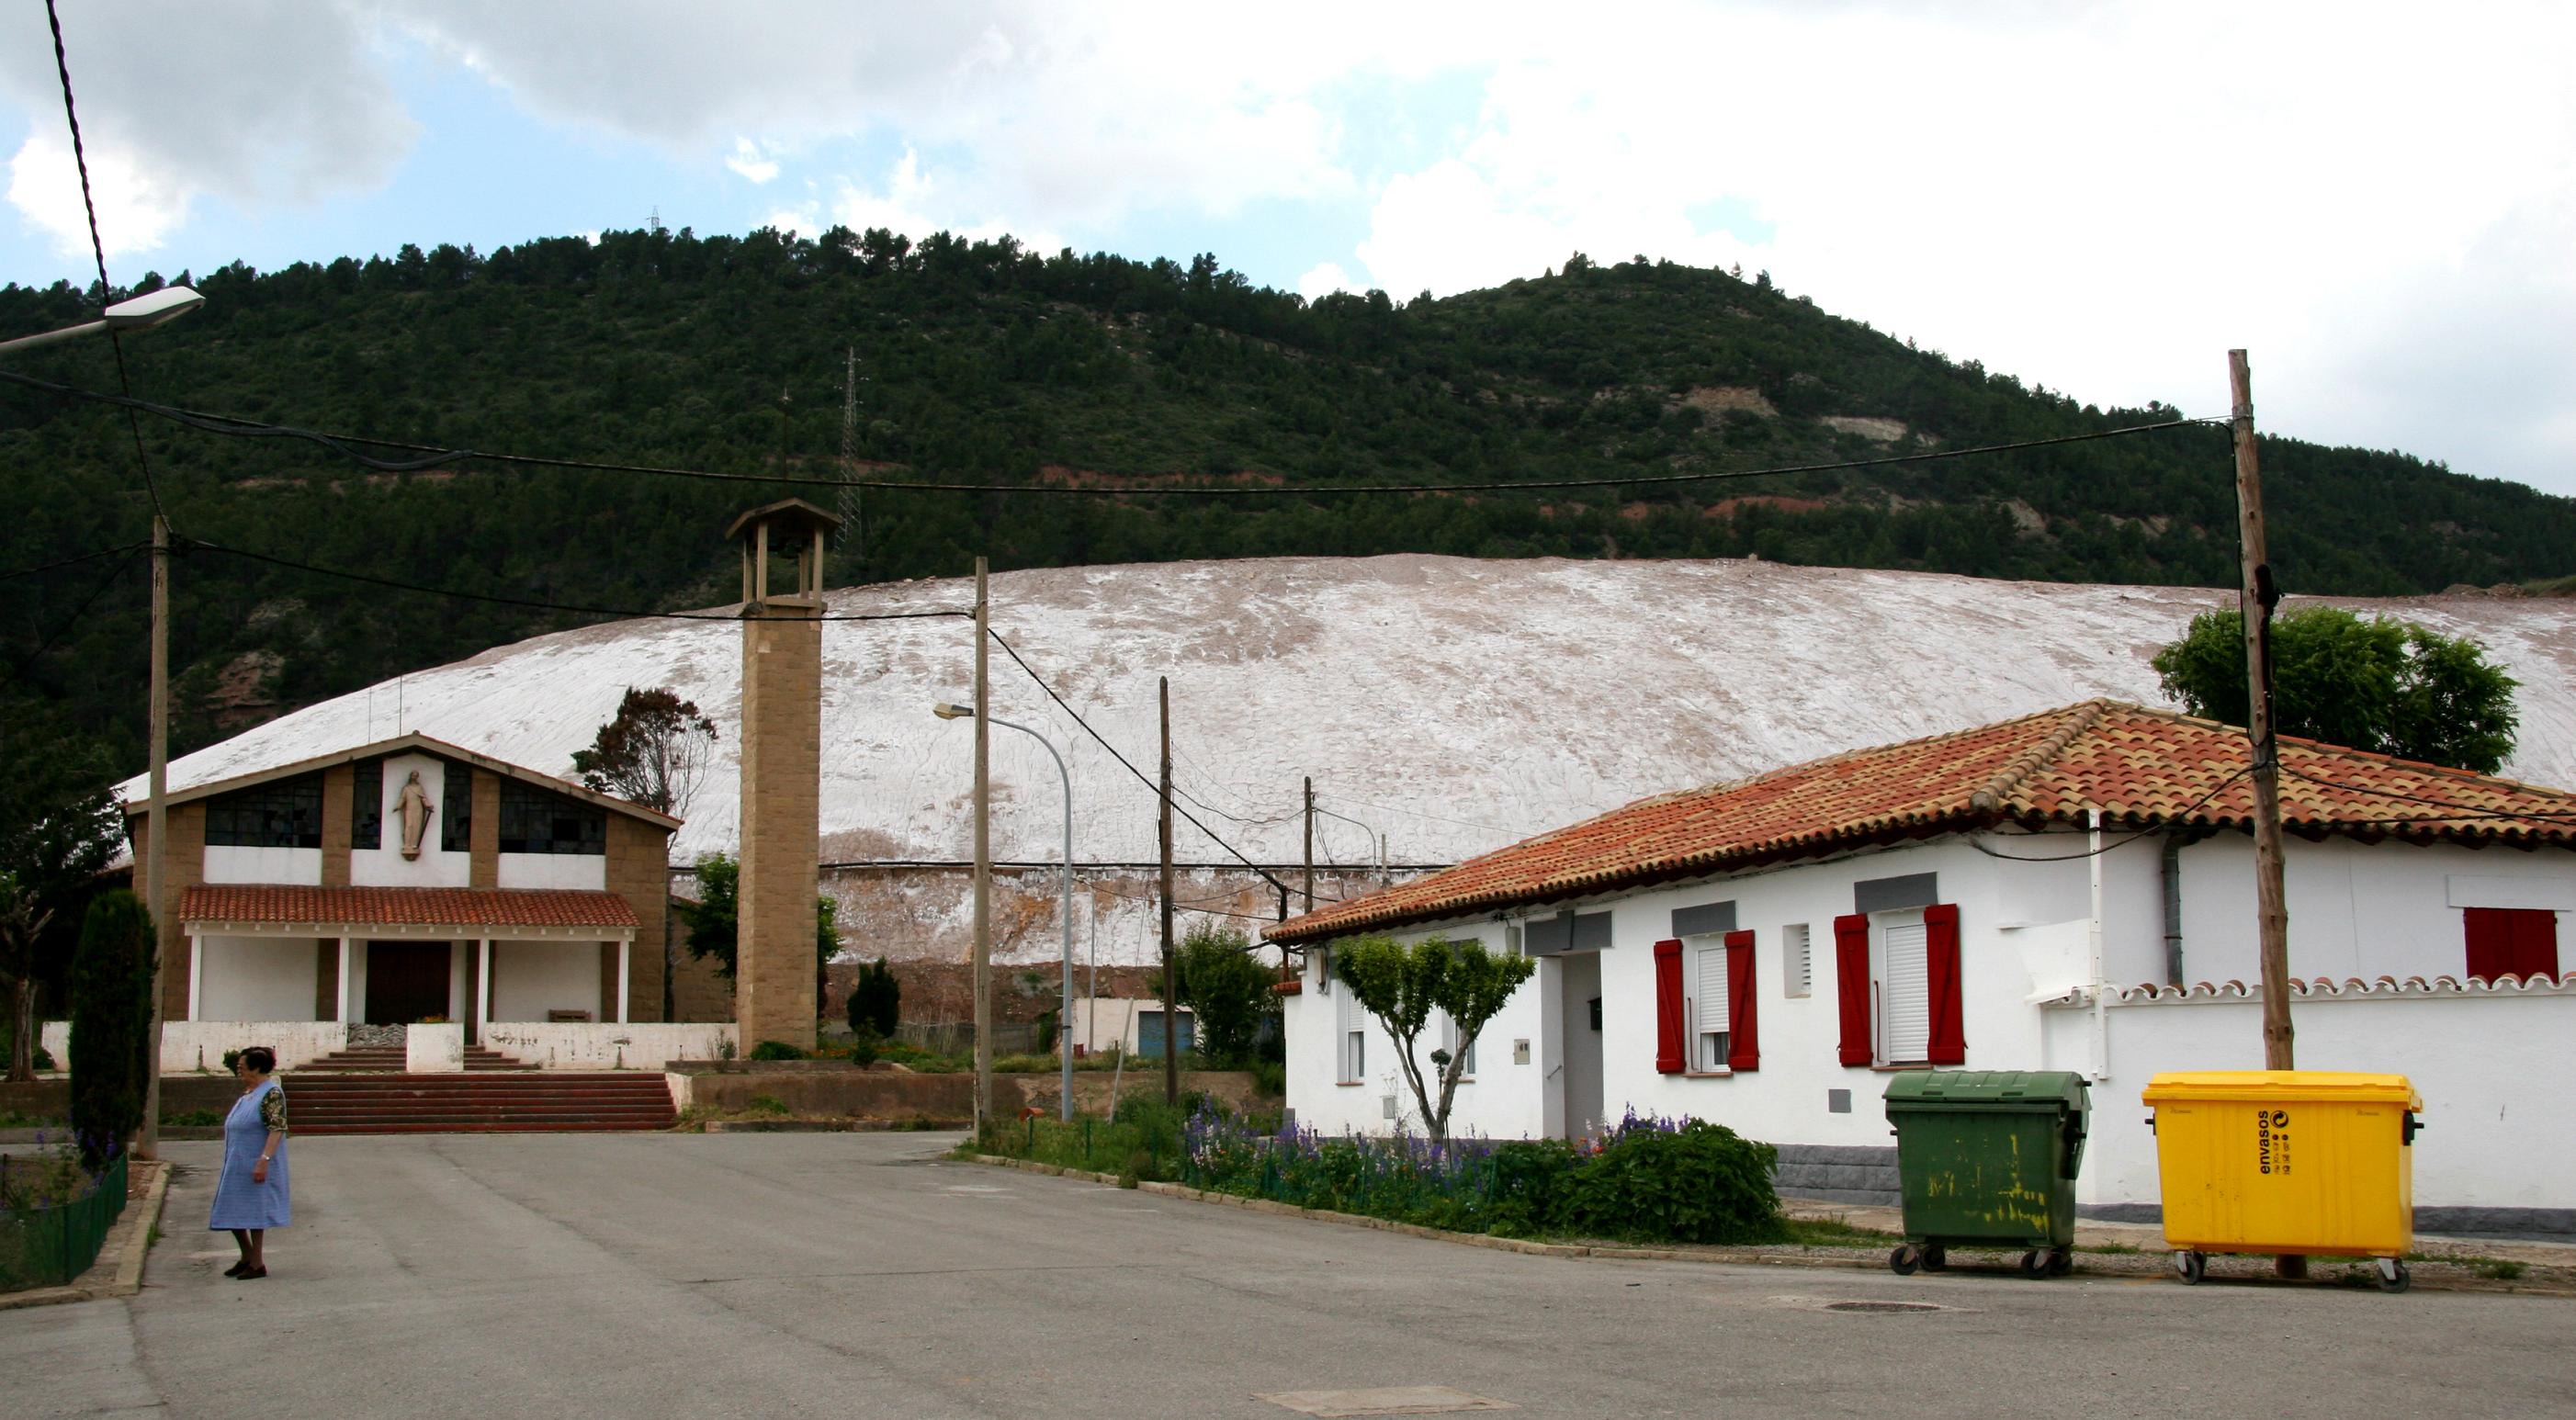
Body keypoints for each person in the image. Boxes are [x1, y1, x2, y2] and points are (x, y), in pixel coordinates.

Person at [209, 1045, 289, 1279]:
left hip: (256, 1161)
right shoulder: (249, 1093)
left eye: (243, 1067)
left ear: (256, 1068)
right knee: (231, 1208)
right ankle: (246, 1255)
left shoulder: (271, 1093)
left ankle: (257, 1262)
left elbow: (277, 1128)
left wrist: (264, 1159)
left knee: (255, 1212)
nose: (239, 1070)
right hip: (238, 1163)